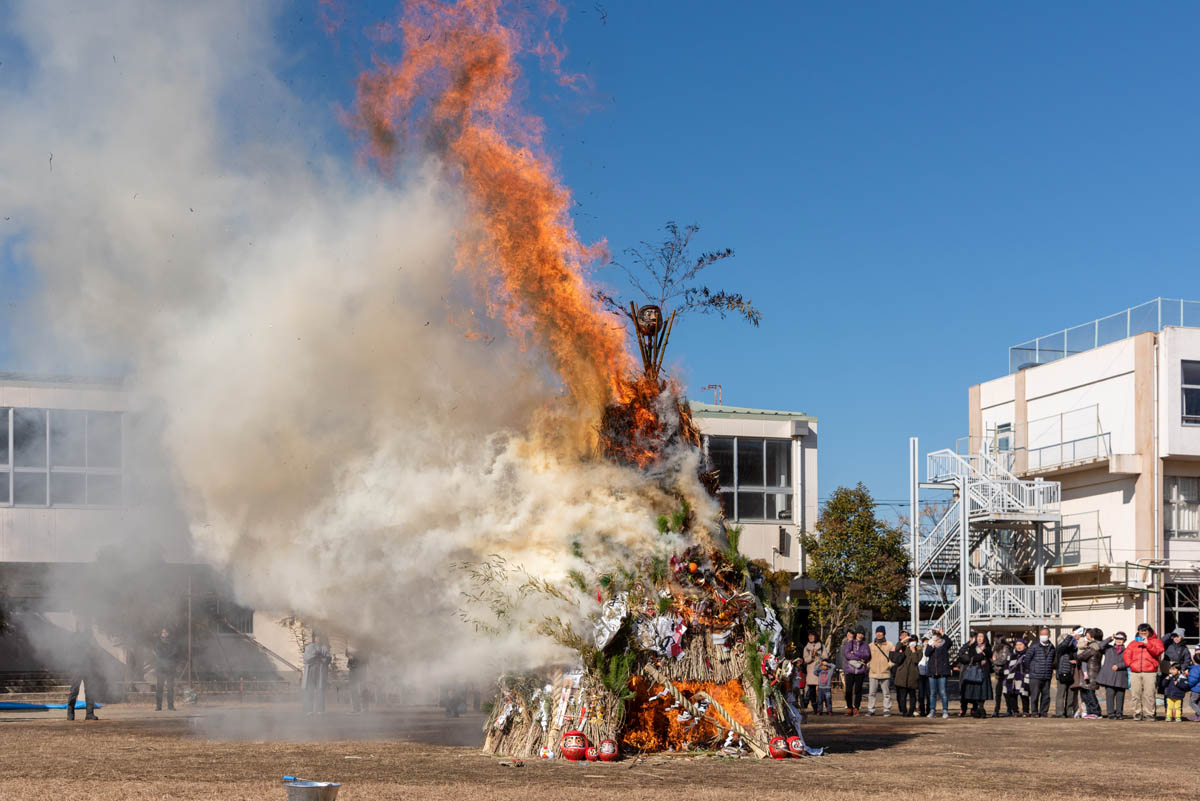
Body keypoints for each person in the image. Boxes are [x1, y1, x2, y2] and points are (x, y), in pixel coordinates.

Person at [1123, 623, 1164, 721]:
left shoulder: (1156, 641)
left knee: (1149, 694)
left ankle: (1149, 713)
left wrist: (1147, 644)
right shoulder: (1133, 643)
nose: (1142, 634)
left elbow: (1158, 651)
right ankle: (1137, 713)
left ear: (1149, 631)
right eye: (1141, 632)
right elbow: (1126, 654)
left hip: (1150, 672)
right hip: (1135, 671)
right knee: (1135, 694)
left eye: (1144, 631)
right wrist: (1130, 664)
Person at [65, 622, 100, 722]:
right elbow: (69, 652)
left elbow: (95, 651)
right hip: (77, 667)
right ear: (78, 627)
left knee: (90, 691)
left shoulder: (90, 637)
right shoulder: (73, 637)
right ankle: (70, 714)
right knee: (74, 691)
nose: (83, 627)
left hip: (88, 667)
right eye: (81, 625)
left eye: (84, 625)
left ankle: (89, 714)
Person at [957, 631, 992, 718]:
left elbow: (989, 654)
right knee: (976, 691)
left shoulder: (987, 647)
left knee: (983, 691)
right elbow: (972, 657)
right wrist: (981, 654)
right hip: (975, 671)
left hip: (984, 671)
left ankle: (981, 708)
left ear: (984, 638)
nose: (980, 638)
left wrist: (983, 653)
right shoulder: (972, 646)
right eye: (978, 636)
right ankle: (978, 710)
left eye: (981, 636)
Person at [1024, 627, 1057, 717]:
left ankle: (1043, 712)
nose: (1043, 636)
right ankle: (1034, 712)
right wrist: (1031, 669)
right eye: (1042, 634)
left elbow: (1053, 660)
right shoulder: (1034, 646)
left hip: (1047, 675)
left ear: (1049, 635)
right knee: (1035, 695)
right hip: (1035, 675)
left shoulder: (1052, 647)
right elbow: (1027, 659)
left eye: (1045, 634)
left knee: (1046, 695)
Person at [1097, 631, 1129, 720]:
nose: (1119, 640)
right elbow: (1100, 646)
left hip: (1121, 675)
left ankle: (1119, 713)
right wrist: (1109, 639)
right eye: (1117, 638)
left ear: (1124, 640)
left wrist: (1119, 666)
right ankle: (1110, 713)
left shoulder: (1127, 651)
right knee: (1110, 695)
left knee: (1120, 695)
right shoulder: (1109, 648)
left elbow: (1129, 661)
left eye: (1121, 639)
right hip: (1109, 676)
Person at [1074, 628, 1104, 719]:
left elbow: (1081, 656)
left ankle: (1096, 711)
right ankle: (1091, 712)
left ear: (1093, 637)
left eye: (1088, 635)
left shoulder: (1093, 646)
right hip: (1093, 672)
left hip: (1090, 673)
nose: (1087, 637)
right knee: (1087, 693)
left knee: (1089, 693)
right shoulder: (1098, 645)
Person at [866, 626, 894, 716]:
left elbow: (893, 658)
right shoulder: (871, 645)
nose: (878, 634)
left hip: (885, 673)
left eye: (880, 632)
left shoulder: (890, 645)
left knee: (886, 693)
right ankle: (871, 709)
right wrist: (869, 665)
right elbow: (867, 657)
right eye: (877, 632)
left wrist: (889, 665)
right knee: (871, 693)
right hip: (873, 673)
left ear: (884, 633)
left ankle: (886, 709)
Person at [924, 628, 952, 718]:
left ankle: (945, 711)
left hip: (942, 672)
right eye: (934, 634)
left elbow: (950, 642)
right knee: (932, 693)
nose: (935, 636)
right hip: (932, 672)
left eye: (937, 634)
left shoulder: (944, 643)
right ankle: (932, 711)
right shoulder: (930, 643)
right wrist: (932, 645)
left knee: (943, 692)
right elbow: (927, 653)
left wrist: (943, 633)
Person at [302, 633, 332, 716]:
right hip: (311, 671)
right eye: (316, 637)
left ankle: (320, 710)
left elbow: (328, 659)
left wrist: (322, 658)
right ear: (314, 638)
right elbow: (305, 659)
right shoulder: (309, 647)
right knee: (310, 690)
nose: (318, 639)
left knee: (320, 690)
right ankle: (309, 710)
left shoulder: (324, 647)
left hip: (320, 671)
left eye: (319, 637)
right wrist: (315, 656)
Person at [1053, 629, 1080, 718]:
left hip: (1072, 674)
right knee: (1061, 694)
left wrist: (1076, 662)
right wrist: (1070, 636)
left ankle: (1069, 712)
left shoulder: (1073, 650)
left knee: (1071, 695)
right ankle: (1059, 713)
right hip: (1062, 674)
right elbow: (1063, 645)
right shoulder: (1060, 649)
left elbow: (1079, 660)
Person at [842, 630, 869, 716]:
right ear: (856, 634)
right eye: (859, 633)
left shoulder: (865, 645)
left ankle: (856, 708)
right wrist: (859, 658)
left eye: (862, 633)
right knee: (848, 690)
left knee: (858, 690)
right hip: (849, 670)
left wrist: (855, 653)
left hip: (860, 671)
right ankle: (849, 708)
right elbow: (847, 654)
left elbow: (867, 655)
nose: (860, 635)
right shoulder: (850, 643)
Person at [1001, 638, 1030, 717]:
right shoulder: (1011, 655)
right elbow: (1006, 666)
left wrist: (1028, 675)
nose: (1019, 646)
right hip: (1012, 678)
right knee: (1012, 694)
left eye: (1021, 645)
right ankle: (1015, 711)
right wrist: (1006, 676)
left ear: (1025, 646)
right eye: (1017, 645)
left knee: (1024, 695)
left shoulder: (1028, 655)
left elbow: (1029, 667)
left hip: (1023, 677)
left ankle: (1026, 711)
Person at [893, 638, 921, 717]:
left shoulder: (919, 651)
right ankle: (904, 711)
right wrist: (903, 640)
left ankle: (911, 712)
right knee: (902, 696)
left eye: (914, 641)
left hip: (913, 676)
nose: (912, 643)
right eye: (911, 641)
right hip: (902, 675)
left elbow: (916, 660)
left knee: (912, 696)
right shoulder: (904, 648)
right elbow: (897, 648)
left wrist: (913, 651)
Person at [154, 628, 178, 712]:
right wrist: (167, 656)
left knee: (170, 688)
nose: (164, 633)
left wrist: (167, 658)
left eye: (166, 632)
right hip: (160, 668)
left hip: (170, 668)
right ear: (161, 633)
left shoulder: (173, 643)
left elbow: (175, 653)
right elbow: (159, 654)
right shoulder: (158, 643)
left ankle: (170, 706)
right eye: (163, 632)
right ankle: (158, 706)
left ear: (168, 633)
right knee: (159, 687)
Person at [802, 633, 826, 713]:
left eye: (812, 636)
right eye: (809, 636)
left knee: (821, 690)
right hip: (811, 670)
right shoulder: (806, 648)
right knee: (812, 690)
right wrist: (811, 656)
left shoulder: (821, 646)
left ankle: (821, 707)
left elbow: (826, 656)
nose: (811, 637)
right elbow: (805, 660)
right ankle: (815, 707)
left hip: (820, 669)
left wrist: (818, 655)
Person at [990, 636, 1012, 717]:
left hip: (1005, 673)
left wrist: (994, 660)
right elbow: (992, 658)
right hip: (998, 673)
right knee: (998, 693)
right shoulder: (995, 648)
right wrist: (993, 660)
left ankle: (1009, 710)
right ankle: (996, 710)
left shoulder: (1005, 648)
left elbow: (1004, 660)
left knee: (1006, 693)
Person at [916, 636, 931, 717]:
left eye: (927, 641)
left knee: (929, 694)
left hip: (929, 674)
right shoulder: (919, 650)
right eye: (925, 641)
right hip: (920, 674)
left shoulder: (931, 650)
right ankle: (922, 710)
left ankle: (929, 710)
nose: (926, 643)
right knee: (921, 694)